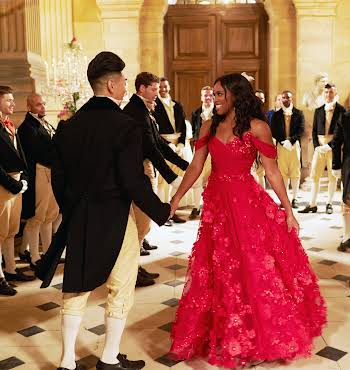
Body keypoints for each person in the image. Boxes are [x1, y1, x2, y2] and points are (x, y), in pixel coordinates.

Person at [169, 73, 326, 368]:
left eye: (218, 94)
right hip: (217, 205)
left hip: (246, 205)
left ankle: (253, 337)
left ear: (234, 96)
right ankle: (227, 332)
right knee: (219, 267)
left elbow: (273, 172)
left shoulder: (257, 127)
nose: (213, 99)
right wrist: (176, 198)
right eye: (213, 94)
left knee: (251, 268)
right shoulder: (208, 126)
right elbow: (196, 165)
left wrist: (288, 210)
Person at [39, 52, 171, 370]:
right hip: (115, 217)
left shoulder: (68, 126)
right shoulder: (125, 125)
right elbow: (132, 181)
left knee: (76, 285)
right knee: (121, 285)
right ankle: (109, 358)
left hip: (80, 217)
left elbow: (58, 174)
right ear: (111, 84)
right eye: (124, 80)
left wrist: (73, 206)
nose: (126, 84)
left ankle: (67, 361)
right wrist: (162, 211)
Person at [18, 93, 59, 268]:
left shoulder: (45, 123)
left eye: (43, 104)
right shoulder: (27, 127)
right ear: (29, 107)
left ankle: (48, 253)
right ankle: (34, 257)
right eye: (38, 105)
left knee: (49, 216)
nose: (42, 107)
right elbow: (38, 152)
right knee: (37, 217)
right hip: (39, 173)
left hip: (50, 172)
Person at [0, 86, 34, 296]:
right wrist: (14, 185)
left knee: (11, 231)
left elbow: (21, 155)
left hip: (17, 182)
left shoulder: (10, 125)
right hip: (3, 185)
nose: (13, 103)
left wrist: (24, 178)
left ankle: (11, 269)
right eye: (9, 100)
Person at [299, 83, 345, 214]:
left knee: (333, 176)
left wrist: (330, 146)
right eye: (326, 92)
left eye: (331, 92)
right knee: (314, 176)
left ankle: (329, 203)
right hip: (319, 148)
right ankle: (312, 204)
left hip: (333, 148)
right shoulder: (318, 110)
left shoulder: (342, 111)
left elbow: (341, 132)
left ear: (335, 94)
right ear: (323, 94)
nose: (328, 95)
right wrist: (317, 146)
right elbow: (313, 131)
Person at [154, 77, 187, 223]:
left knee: (180, 177)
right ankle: (163, 212)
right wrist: (168, 144)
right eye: (160, 87)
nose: (163, 89)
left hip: (178, 147)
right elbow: (155, 131)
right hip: (163, 146)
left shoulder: (177, 105)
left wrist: (180, 144)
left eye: (165, 87)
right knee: (164, 180)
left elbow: (184, 126)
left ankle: (173, 210)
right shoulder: (154, 105)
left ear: (169, 87)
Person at [271, 90, 305, 208]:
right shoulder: (276, 115)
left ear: (292, 99)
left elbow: (301, 130)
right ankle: (285, 200)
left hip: (294, 146)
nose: (286, 100)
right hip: (281, 146)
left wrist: (291, 141)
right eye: (284, 98)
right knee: (283, 173)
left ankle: (295, 198)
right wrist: (282, 141)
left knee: (295, 172)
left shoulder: (299, 113)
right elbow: (274, 130)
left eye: (288, 98)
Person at [190, 86, 215, 219]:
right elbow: (195, 131)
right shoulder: (195, 113)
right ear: (201, 97)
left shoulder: (218, 112)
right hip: (199, 148)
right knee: (197, 176)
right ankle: (196, 206)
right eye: (205, 95)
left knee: (212, 177)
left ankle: (210, 207)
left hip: (215, 149)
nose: (208, 98)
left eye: (210, 95)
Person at [332, 109, 350, 251]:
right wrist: (336, 165)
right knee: (348, 200)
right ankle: (347, 236)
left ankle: (347, 236)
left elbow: (336, 142)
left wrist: (336, 166)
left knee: (348, 200)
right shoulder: (345, 116)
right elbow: (336, 142)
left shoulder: (345, 116)